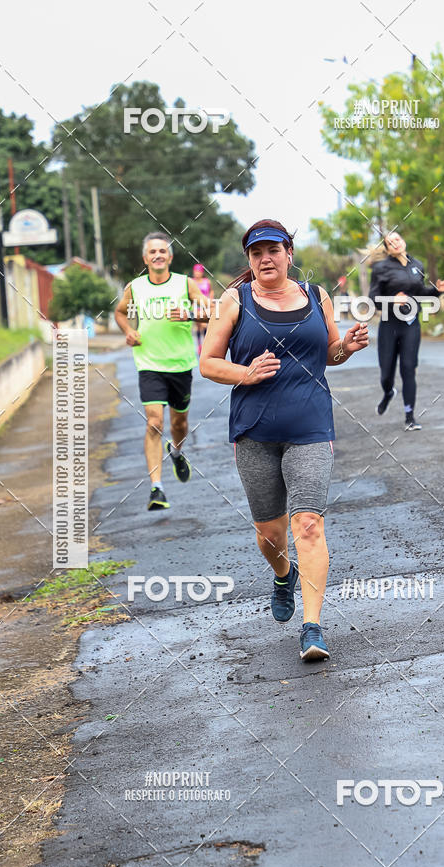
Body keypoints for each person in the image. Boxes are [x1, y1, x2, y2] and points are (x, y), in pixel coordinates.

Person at [199, 219, 368, 661]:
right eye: (256, 253)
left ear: (289, 253)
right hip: (254, 431)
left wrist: (347, 345)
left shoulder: (317, 297)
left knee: (308, 525)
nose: (265, 259)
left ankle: (312, 628)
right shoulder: (234, 300)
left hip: (311, 427)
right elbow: (208, 363)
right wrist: (246, 373)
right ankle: (282, 573)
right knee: (269, 535)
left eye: (273, 250)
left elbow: (330, 355)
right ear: (249, 260)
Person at [115, 232, 209, 510]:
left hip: (180, 364)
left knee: (178, 424)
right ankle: (157, 488)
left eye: (162, 251)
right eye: (152, 252)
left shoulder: (185, 283)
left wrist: (189, 314)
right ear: (145, 258)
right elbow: (120, 312)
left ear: (169, 256)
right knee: (154, 421)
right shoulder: (135, 287)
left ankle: (177, 452)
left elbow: (210, 312)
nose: (157, 255)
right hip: (149, 364)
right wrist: (129, 330)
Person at [368, 231, 444, 431]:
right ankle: (388, 392)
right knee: (387, 372)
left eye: (397, 238)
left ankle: (410, 417)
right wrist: (391, 300)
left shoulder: (418, 265)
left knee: (408, 368)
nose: (395, 243)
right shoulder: (381, 268)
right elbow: (372, 300)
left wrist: (436, 290)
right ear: (387, 250)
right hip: (389, 325)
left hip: (411, 324)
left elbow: (420, 292)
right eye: (390, 242)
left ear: (403, 241)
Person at [191, 263, 214, 354]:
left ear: (202, 273)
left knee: (204, 324)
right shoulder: (191, 282)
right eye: (195, 271)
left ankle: (204, 344)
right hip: (195, 305)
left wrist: (210, 299)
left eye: (198, 272)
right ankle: (199, 344)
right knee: (198, 325)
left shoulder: (206, 281)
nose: (197, 273)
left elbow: (210, 291)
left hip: (205, 305)